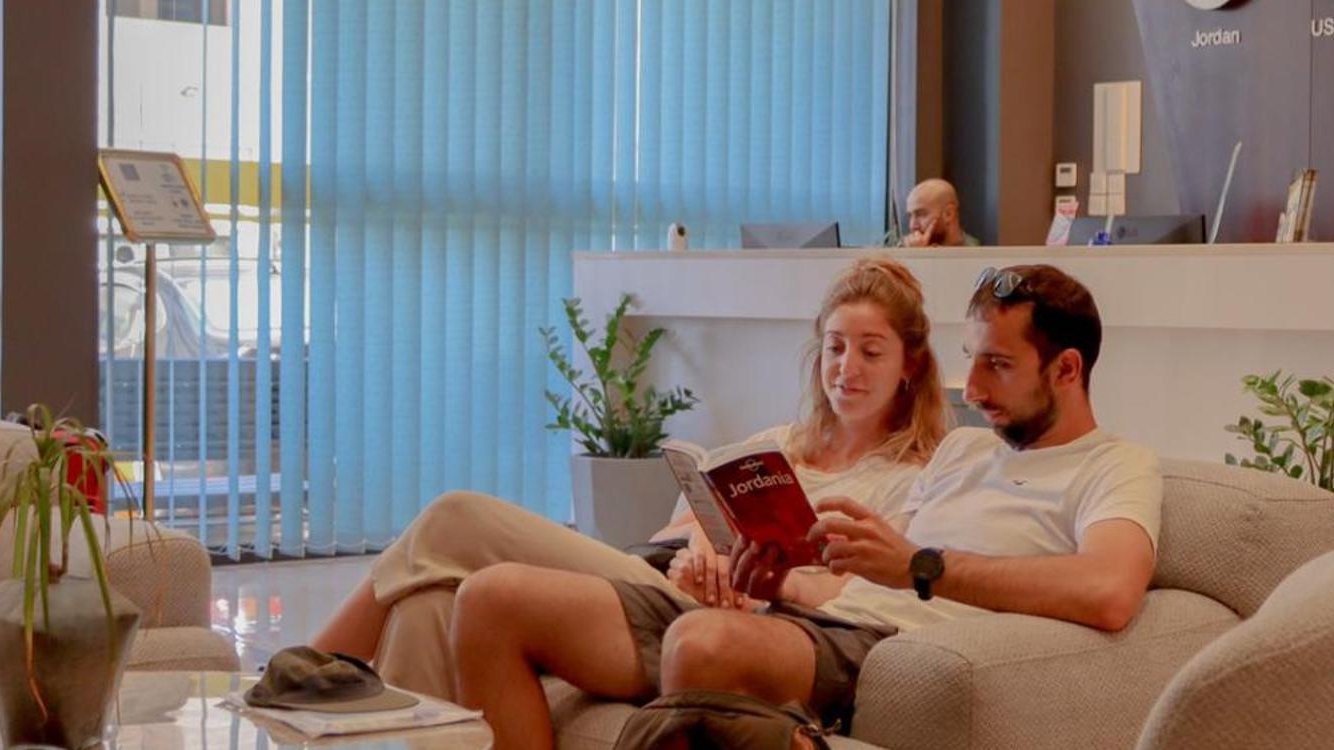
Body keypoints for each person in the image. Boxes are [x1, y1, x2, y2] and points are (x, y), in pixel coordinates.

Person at [451, 264, 1160, 749]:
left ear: (1067, 370)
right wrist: (774, 577)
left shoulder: (1115, 465)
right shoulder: (964, 451)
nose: (970, 389)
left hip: (872, 643)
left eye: (996, 365)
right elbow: (866, 569)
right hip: (813, 616)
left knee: (702, 643)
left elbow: (1109, 592)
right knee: (491, 599)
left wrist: (919, 566)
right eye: (971, 358)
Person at [308, 257, 950, 700]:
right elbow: (678, 526)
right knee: (424, 608)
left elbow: (862, 597)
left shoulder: (914, 477)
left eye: (871, 352)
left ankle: (306, 673)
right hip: (667, 580)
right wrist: (706, 548)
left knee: (456, 518)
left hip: (739, 620)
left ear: (911, 366)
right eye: (835, 347)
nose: (846, 369)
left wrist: (757, 579)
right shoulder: (778, 445)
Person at [894, 178, 979, 248]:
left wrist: (921, 256)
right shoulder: (904, 247)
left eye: (920, 214)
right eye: (910, 216)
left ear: (948, 214)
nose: (912, 225)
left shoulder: (976, 254)